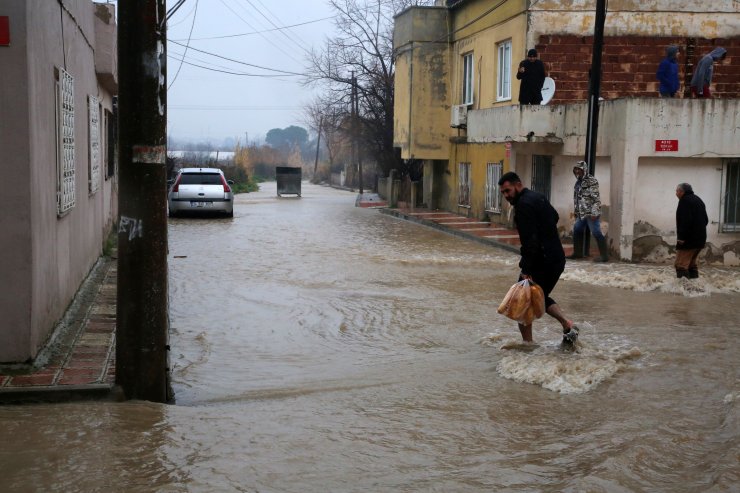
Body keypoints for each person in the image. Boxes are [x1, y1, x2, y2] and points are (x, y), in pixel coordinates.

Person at [498, 171, 578, 345]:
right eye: (503, 193)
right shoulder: (538, 197)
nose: (506, 195)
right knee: (541, 295)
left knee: (521, 303)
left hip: (541, 261)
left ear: (518, 185)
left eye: (508, 191)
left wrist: (526, 269)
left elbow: (530, 242)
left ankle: (528, 347)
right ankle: (567, 324)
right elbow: (555, 216)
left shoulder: (523, 206)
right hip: (556, 258)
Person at [570, 161, 608, 262]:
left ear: (584, 169)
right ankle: (577, 253)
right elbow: (577, 198)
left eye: (579, 169)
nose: (577, 171)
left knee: (596, 232)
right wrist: (576, 211)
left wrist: (594, 213)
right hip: (581, 213)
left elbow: (596, 198)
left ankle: (604, 256)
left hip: (591, 213)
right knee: (577, 229)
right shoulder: (578, 181)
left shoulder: (591, 180)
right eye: (576, 169)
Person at [675, 183, 708, 279]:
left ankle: (685, 289)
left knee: (680, 265)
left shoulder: (684, 201)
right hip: (700, 239)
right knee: (691, 264)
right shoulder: (698, 200)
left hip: (688, 240)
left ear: (681, 192)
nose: (676, 193)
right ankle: (695, 286)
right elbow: (705, 220)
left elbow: (685, 221)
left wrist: (681, 237)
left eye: (676, 191)